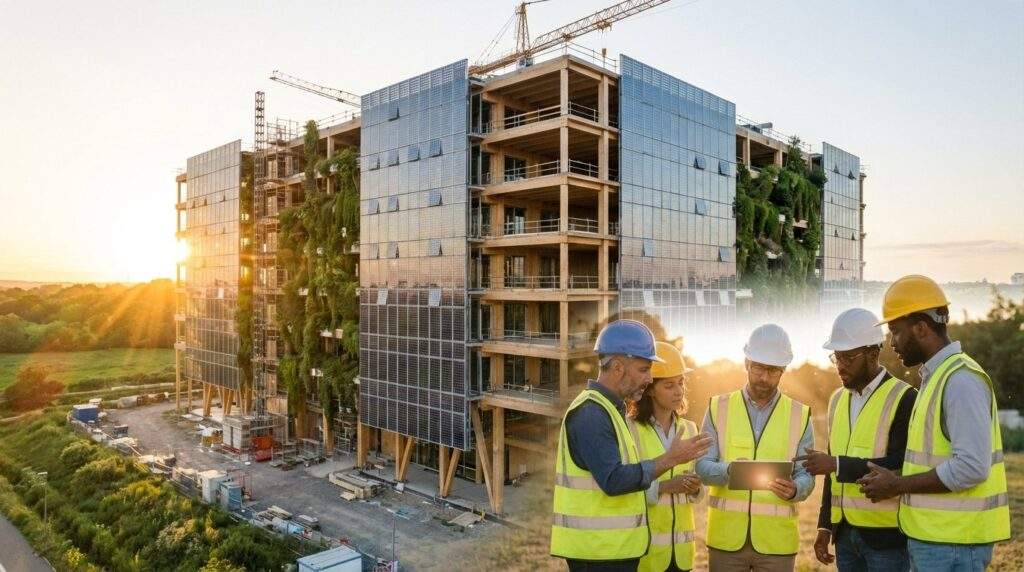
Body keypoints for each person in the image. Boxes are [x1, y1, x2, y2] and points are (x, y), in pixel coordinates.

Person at [857, 275, 1010, 571]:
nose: (892, 343)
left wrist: (897, 485)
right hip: (936, 541)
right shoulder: (936, 378)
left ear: (922, 328)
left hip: (953, 544)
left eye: (896, 332)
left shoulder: (961, 380)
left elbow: (971, 467)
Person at [551, 320, 713, 571]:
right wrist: (671, 459)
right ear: (617, 367)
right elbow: (614, 480)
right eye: (644, 369)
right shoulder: (591, 413)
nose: (649, 378)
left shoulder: (611, 411)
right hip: (598, 554)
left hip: (613, 551)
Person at [795, 308, 916, 571]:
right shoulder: (837, 399)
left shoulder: (904, 397)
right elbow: (831, 470)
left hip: (887, 538)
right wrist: (825, 525)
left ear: (873, 354)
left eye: (848, 357)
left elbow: (900, 462)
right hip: (845, 536)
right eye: (836, 357)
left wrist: (837, 464)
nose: (840, 365)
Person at [696, 324, 814, 572]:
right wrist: (730, 471)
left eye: (772, 371)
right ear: (747, 363)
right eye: (759, 367)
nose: (763, 377)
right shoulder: (718, 407)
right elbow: (702, 467)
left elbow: (806, 474)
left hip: (777, 544)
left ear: (783, 370)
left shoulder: (800, 415)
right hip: (726, 541)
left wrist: (796, 489)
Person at [627, 341, 702, 572]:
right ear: (649, 388)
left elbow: (698, 493)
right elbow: (625, 487)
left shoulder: (690, 429)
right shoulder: (630, 430)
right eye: (669, 385)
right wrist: (666, 486)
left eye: (681, 383)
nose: (679, 391)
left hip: (682, 554)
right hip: (646, 555)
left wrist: (696, 488)